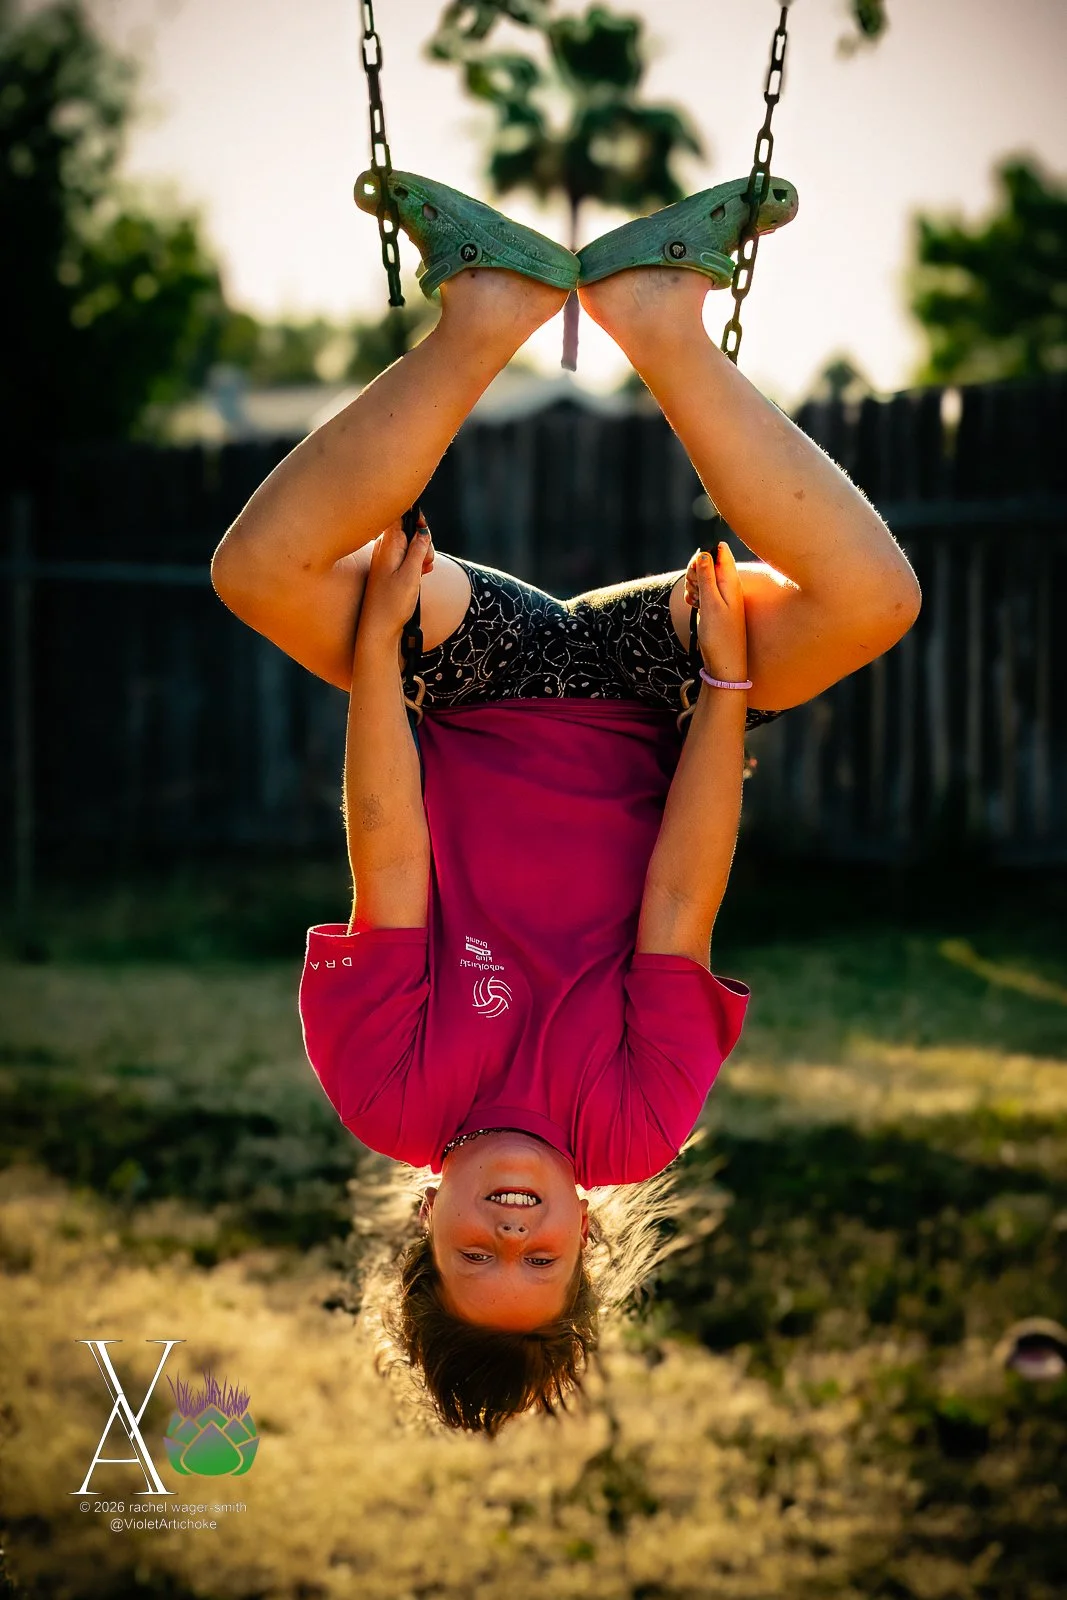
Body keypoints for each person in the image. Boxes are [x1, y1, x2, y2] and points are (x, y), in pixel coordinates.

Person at [210, 173, 921, 1434]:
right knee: (875, 600)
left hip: (474, 679)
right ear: (588, 1236)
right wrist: (721, 682)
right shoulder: (634, 1122)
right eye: (539, 1266)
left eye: (473, 1259)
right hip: (660, 701)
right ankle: (658, 316)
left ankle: (485, 310)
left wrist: (380, 651)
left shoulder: (390, 1094)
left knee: (257, 570)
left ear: (422, 1223)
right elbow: (679, 892)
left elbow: (391, 853)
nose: (510, 1236)